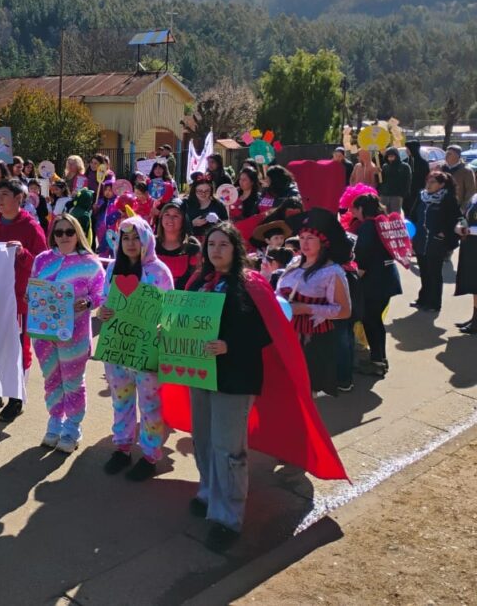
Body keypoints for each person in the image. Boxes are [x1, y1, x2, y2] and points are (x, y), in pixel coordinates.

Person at [184, 224, 275, 551]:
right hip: (200, 374)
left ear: (236, 248)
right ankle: (208, 492)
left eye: (224, 244)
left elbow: (266, 331)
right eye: (211, 244)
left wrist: (229, 345)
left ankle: (227, 517)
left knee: (228, 448)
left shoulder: (249, 285)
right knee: (204, 440)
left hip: (234, 378)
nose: (216, 250)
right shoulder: (197, 282)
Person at [97, 216, 172, 479]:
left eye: (135, 238)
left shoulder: (159, 272)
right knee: (121, 400)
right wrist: (102, 312)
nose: (130, 243)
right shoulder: (113, 268)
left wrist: (161, 327)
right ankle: (122, 447)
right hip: (117, 347)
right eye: (125, 238)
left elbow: (169, 312)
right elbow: (105, 300)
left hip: (147, 350)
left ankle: (150, 456)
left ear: (147, 239)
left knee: (150, 404)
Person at [0, 178, 49, 422]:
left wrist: (23, 254)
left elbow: (43, 263)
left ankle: (16, 398)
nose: (0, 199)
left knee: (16, 348)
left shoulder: (31, 227)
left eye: (5, 194)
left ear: (19, 199)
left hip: (18, 299)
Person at [29, 213, 105, 453]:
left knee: (72, 381)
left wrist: (88, 303)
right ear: (53, 235)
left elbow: (101, 294)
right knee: (51, 379)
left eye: (69, 232)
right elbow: (33, 285)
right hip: (44, 334)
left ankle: (73, 425)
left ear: (78, 234)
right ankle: (55, 419)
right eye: (59, 232)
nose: (64, 237)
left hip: (74, 333)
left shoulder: (90, 262)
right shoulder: (42, 259)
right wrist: (29, 296)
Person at [277, 209, 353, 397]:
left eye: (310, 238)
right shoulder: (294, 262)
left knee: (306, 386)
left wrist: (305, 308)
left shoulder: (332, 272)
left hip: (313, 338)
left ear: (322, 242)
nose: (304, 243)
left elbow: (344, 311)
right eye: (302, 237)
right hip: (286, 331)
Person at [352, 195, 403, 376]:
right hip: (388, 278)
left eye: (354, 208)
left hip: (373, 282)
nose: (352, 212)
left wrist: (356, 277)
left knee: (370, 321)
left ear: (361, 209)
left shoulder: (367, 226)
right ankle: (380, 358)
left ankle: (376, 362)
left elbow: (363, 255)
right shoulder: (385, 222)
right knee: (376, 321)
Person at [409, 170, 461, 313]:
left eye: (433, 182)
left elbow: (456, 220)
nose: (429, 185)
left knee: (434, 273)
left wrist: (445, 233)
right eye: (428, 181)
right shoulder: (421, 196)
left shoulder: (448, 199)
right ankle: (423, 299)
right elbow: (412, 216)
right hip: (420, 240)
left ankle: (434, 303)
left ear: (442, 184)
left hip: (436, 242)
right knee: (424, 272)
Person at [155, 201, 202, 290]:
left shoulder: (193, 246)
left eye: (176, 216)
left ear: (184, 220)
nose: (170, 219)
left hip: (184, 301)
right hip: (153, 299)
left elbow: (199, 277)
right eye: (167, 214)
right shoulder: (151, 244)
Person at [454, 190, 477, 335]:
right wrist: (460, 225)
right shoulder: (475, 196)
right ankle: (475, 318)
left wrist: (469, 230)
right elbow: (464, 216)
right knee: (474, 284)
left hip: (474, 239)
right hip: (471, 244)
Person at [184, 176, 229, 242]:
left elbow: (227, 227)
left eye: (207, 191)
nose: (203, 194)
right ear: (194, 190)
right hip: (191, 242)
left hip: (213, 242)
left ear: (211, 191)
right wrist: (193, 223)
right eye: (199, 191)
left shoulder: (218, 205)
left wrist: (218, 221)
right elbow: (178, 225)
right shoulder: (186, 204)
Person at [377, 147, 411, 215]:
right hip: (385, 195)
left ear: (397, 156)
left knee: (395, 215)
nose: (390, 158)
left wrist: (403, 194)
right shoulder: (385, 166)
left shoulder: (404, 166)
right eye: (388, 156)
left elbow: (407, 181)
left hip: (396, 195)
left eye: (392, 156)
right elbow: (381, 180)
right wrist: (378, 174)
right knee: (383, 214)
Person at [405, 140, 429, 214]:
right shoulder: (405, 162)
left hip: (418, 192)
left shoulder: (423, 163)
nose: (406, 151)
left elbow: (426, 177)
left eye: (408, 149)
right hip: (406, 193)